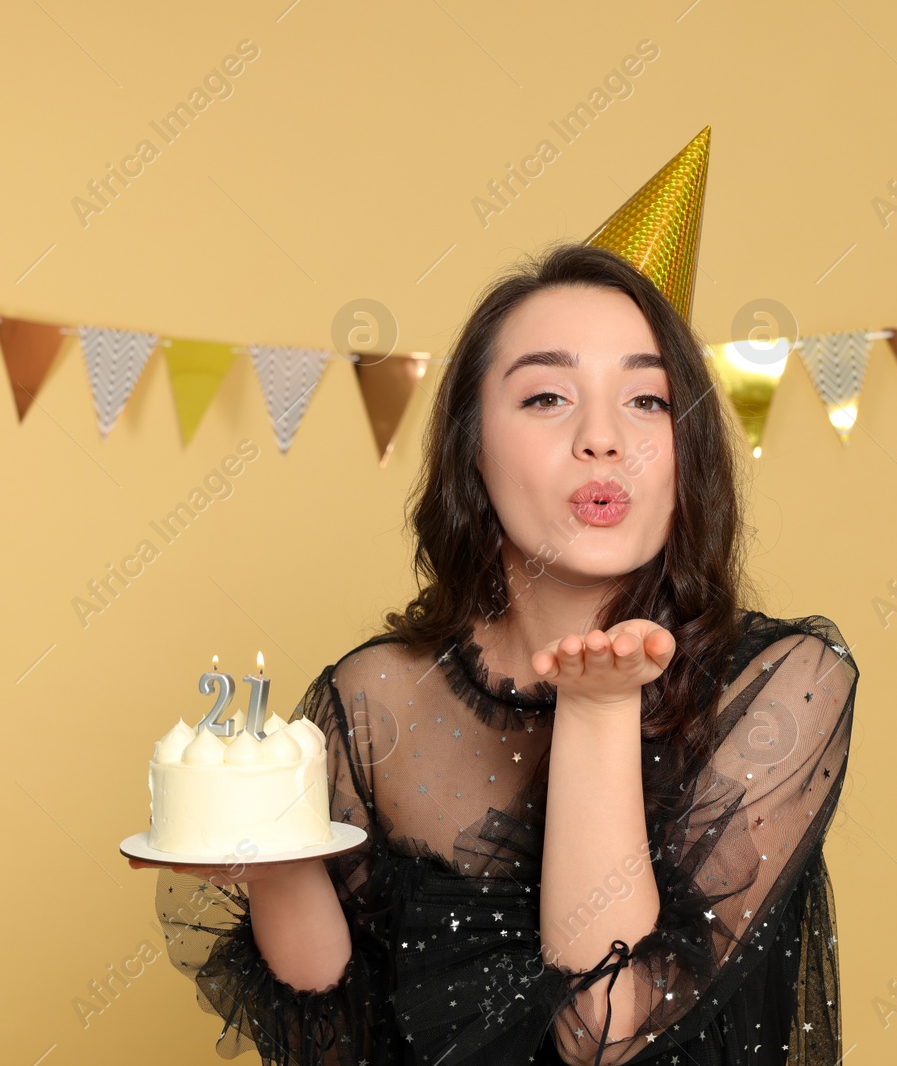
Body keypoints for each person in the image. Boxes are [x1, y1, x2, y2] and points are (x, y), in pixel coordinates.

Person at [132, 241, 858, 1066]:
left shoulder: (781, 684)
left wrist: (596, 705)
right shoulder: (376, 700)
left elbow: (604, 1027)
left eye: (647, 400)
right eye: (548, 396)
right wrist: (273, 857)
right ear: (471, 448)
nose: (602, 439)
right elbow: (337, 1036)